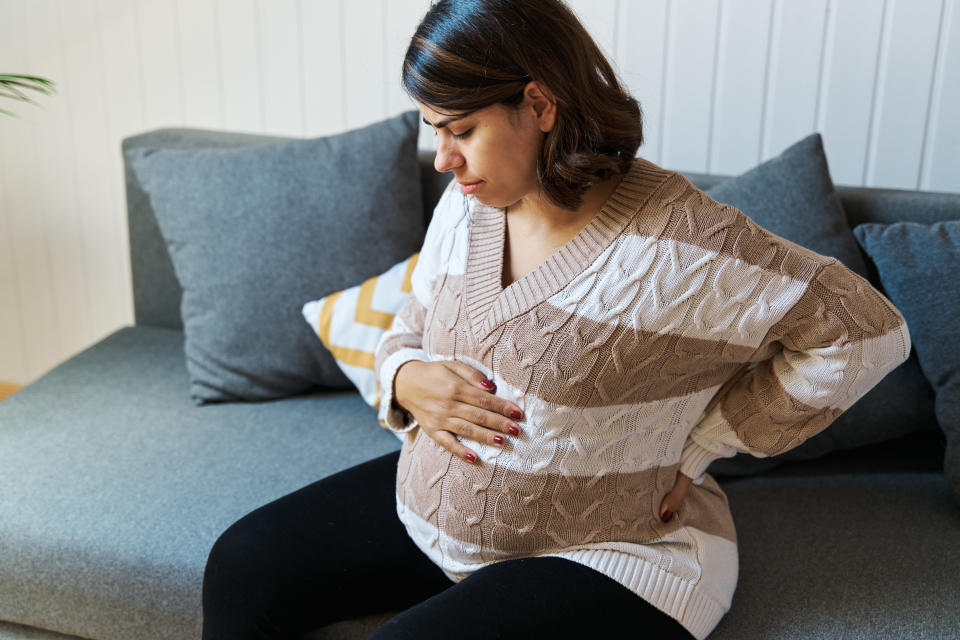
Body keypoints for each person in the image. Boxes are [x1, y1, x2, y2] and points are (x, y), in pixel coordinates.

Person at [201, 1, 912, 639]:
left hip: (615, 551)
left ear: (539, 104)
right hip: (443, 520)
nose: (443, 158)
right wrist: (404, 374)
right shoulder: (469, 198)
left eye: (463, 130)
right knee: (243, 563)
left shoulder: (686, 248)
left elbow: (865, 334)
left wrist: (704, 443)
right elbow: (415, 318)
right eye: (434, 130)